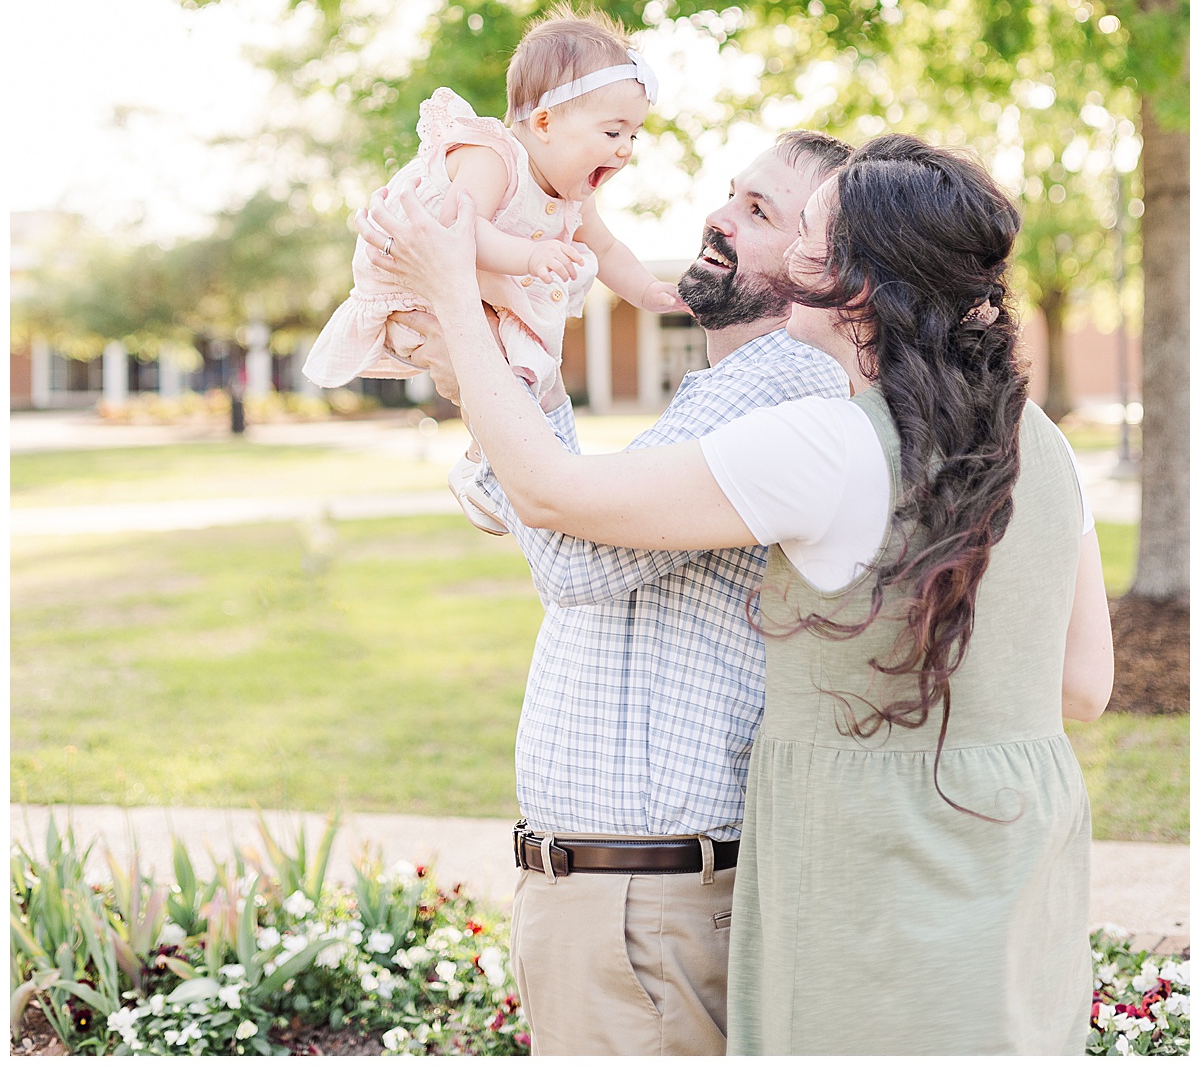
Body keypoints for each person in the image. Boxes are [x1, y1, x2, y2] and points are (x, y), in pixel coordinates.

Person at [363, 133, 1115, 1056]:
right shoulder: (1040, 441)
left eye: (803, 236)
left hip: (866, 889)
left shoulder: (827, 441)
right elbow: (1083, 687)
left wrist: (452, 291)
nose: (785, 255)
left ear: (854, 285)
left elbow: (559, 504)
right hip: (1009, 885)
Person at [357, 130, 852, 1055]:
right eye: (730, 194)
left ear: (826, 264)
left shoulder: (781, 382)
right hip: (623, 898)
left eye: (759, 212)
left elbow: (572, 559)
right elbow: (566, 519)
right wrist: (514, 391)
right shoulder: (730, 387)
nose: (718, 217)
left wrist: (459, 306)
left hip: (641, 906)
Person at [304, 7, 687, 528]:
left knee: (531, 372)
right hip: (411, 291)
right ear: (545, 123)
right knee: (492, 363)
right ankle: (483, 465)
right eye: (613, 132)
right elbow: (457, 233)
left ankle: (507, 467)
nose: (624, 151)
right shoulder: (492, 157)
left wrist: (645, 291)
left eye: (633, 136)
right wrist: (529, 256)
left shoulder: (573, 193)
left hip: (475, 291)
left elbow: (606, 247)